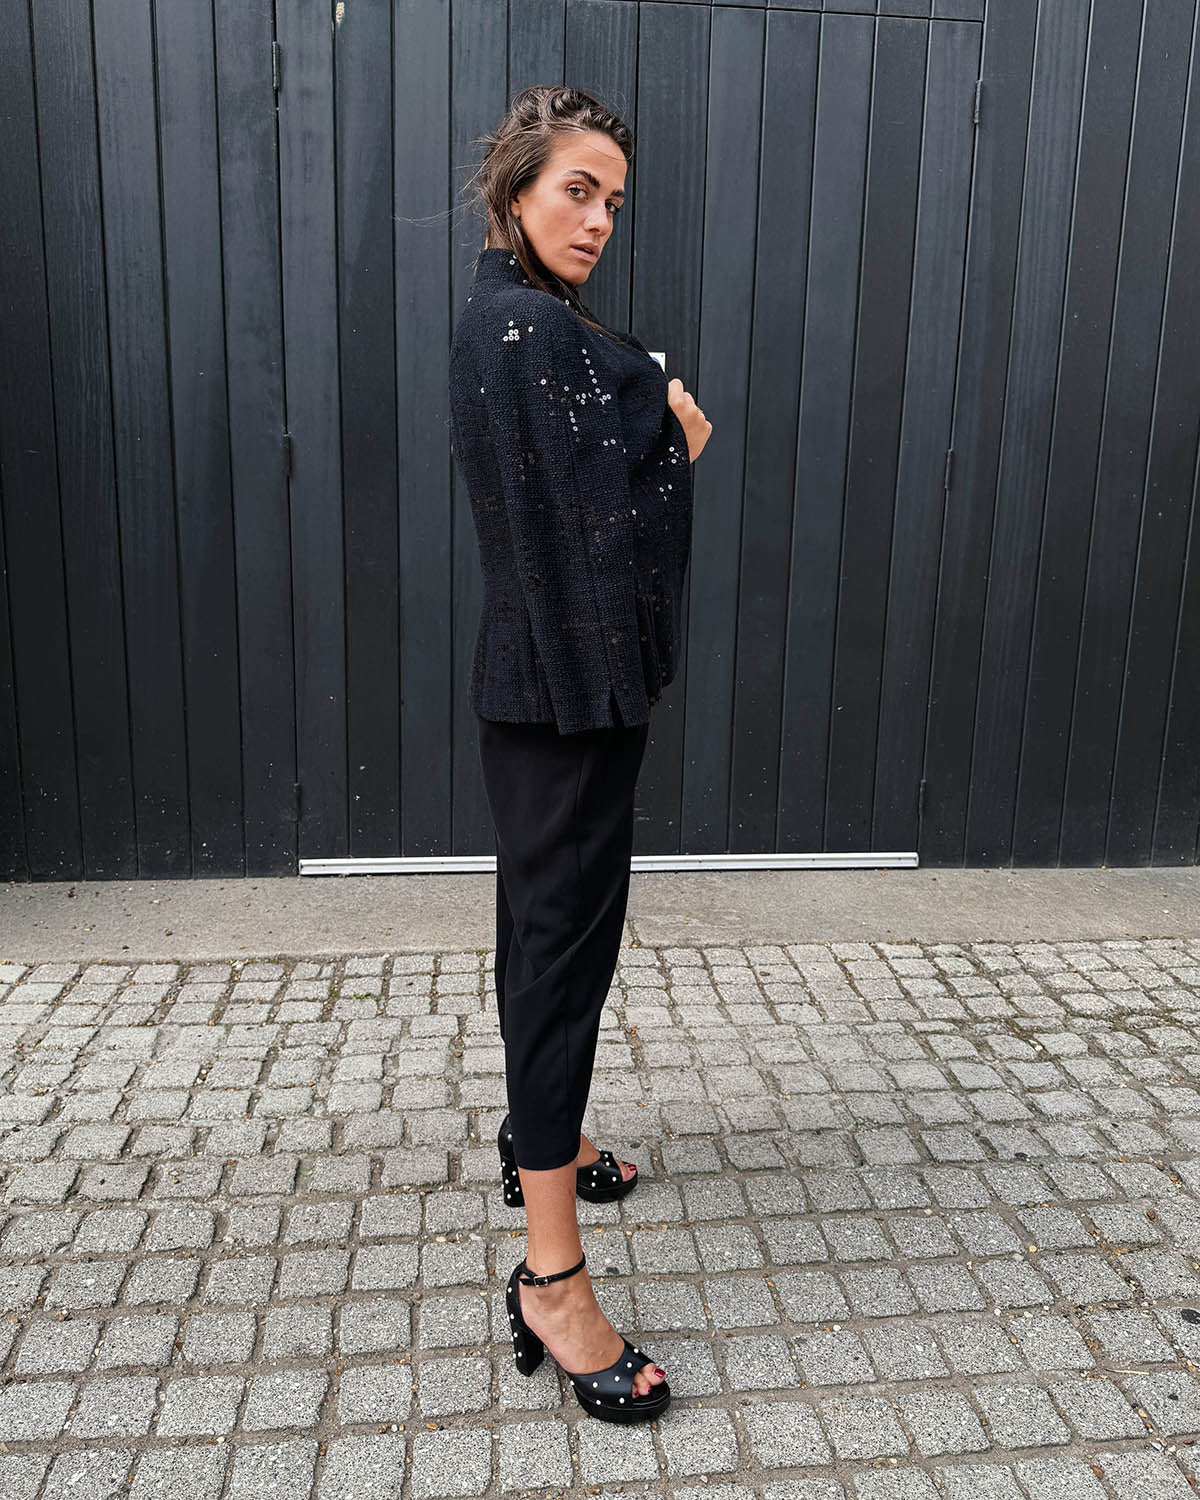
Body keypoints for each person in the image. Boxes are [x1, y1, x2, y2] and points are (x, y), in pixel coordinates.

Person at [448, 84, 712, 1424]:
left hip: (552, 690)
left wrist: (644, 412)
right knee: (561, 962)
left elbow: (578, 479)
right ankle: (552, 1279)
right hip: (566, 701)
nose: (600, 218)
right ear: (515, 192)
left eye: (612, 199)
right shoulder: (522, 328)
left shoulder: (526, 316)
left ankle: (535, 1138)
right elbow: (591, 522)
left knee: (543, 935)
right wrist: (676, 439)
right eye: (575, 190)